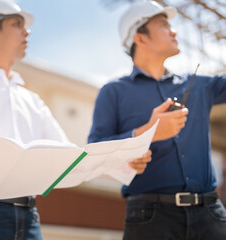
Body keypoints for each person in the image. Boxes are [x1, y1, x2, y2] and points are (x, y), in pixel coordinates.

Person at [0, 0, 151, 239]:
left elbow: (69, 158)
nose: (27, 31)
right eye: (17, 24)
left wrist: (122, 163)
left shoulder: (33, 101)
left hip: (29, 217)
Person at [88, 1, 226, 240]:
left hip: (210, 215)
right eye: (164, 24)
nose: (173, 31)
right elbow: (95, 150)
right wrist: (144, 134)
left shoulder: (202, 85)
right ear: (140, 38)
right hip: (150, 218)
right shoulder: (114, 92)